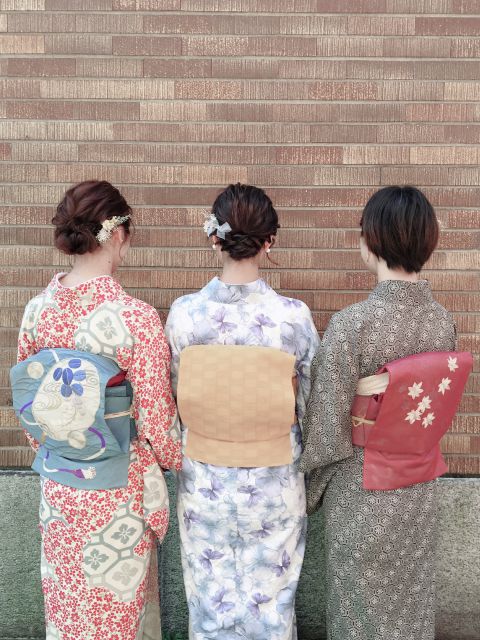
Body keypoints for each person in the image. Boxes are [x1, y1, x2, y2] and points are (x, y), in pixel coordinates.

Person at [300, 186, 470, 640]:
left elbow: (327, 422)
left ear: (371, 240)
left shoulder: (353, 323)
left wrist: (309, 488)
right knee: (409, 604)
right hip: (418, 486)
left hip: (363, 488)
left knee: (359, 606)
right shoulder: (441, 320)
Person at [13, 180, 181, 640]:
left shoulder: (37, 311)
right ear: (118, 233)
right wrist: (178, 460)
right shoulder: (135, 318)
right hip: (116, 491)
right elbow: (156, 421)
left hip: (59, 486)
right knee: (115, 615)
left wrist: (65, 444)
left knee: (68, 613)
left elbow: (28, 402)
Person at [165, 183, 320, 639]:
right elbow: (311, 405)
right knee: (271, 599)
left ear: (215, 238)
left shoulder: (185, 315)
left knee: (208, 594)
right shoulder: (292, 317)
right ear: (270, 241)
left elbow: (175, 397)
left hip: (205, 480)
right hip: (273, 480)